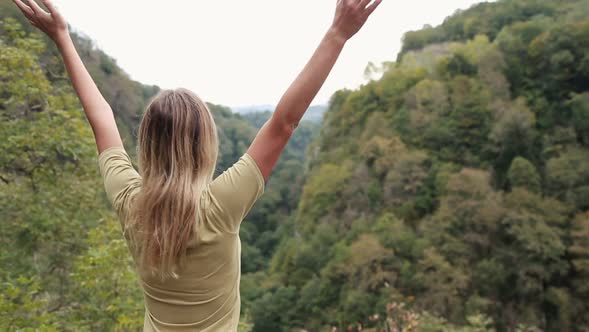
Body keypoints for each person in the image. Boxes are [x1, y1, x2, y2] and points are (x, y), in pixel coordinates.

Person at [13, 0, 383, 330]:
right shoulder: (221, 207)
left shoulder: (131, 203)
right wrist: (337, 34)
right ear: (205, 143)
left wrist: (61, 36)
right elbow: (284, 123)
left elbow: (102, 121)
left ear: (147, 144)